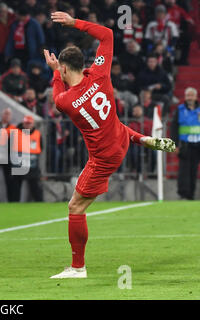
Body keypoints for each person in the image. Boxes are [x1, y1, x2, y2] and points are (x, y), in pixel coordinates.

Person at [43, 12, 175, 279]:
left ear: (66, 68)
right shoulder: (100, 73)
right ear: (85, 63)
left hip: (104, 157)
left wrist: (55, 73)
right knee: (111, 124)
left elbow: (57, 96)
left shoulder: (67, 101)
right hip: (118, 137)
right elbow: (108, 34)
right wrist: (74, 23)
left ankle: (78, 268)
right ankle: (143, 138)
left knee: (75, 208)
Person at [171, 87, 200, 200]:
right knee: (183, 171)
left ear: (195, 97)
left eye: (191, 95)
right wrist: (174, 145)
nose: (189, 98)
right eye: (188, 95)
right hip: (185, 144)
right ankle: (183, 194)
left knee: (193, 171)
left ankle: (191, 194)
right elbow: (174, 128)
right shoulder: (180, 109)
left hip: (198, 145)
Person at [11, 115, 43, 202]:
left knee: (35, 185)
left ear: (32, 124)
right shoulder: (16, 132)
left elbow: (41, 148)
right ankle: (14, 203)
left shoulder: (37, 134)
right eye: (26, 123)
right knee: (16, 185)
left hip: (32, 164)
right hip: (18, 164)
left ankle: (40, 203)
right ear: (23, 123)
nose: (28, 125)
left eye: (29, 123)